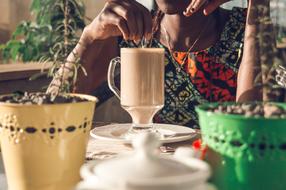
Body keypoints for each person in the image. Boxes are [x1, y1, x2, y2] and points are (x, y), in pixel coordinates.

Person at [47, 0, 271, 128]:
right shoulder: (129, 33)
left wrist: (259, 4)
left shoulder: (246, 28)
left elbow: (253, 128)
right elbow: (51, 116)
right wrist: (88, 39)